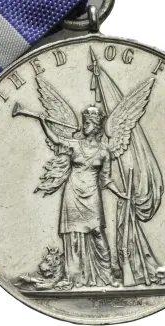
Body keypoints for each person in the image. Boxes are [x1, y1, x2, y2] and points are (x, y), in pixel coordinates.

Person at [38, 106, 128, 289]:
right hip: (72, 192)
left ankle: (107, 275)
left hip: (92, 193)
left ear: (96, 126)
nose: (84, 126)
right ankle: (74, 276)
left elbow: (106, 179)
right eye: (84, 122)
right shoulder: (74, 144)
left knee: (97, 231)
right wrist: (43, 122)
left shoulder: (104, 151)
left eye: (87, 123)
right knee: (73, 234)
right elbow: (56, 139)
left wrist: (120, 193)